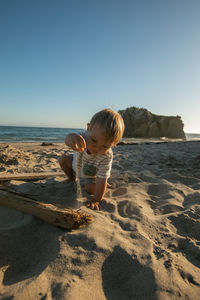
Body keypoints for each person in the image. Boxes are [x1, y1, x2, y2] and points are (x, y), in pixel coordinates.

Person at [58, 108, 124, 210]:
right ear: (88, 128)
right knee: (63, 159)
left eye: (105, 146)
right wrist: (72, 138)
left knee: (91, 189)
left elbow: (101, 179)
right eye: (93, 140)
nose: (97, 148)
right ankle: (71, 178)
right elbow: (67, 139)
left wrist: (96, 199)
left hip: (91, 175)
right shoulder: (82, 137)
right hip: (75, 164)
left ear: (114, 144)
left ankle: (104, 184)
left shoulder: (106, 156)